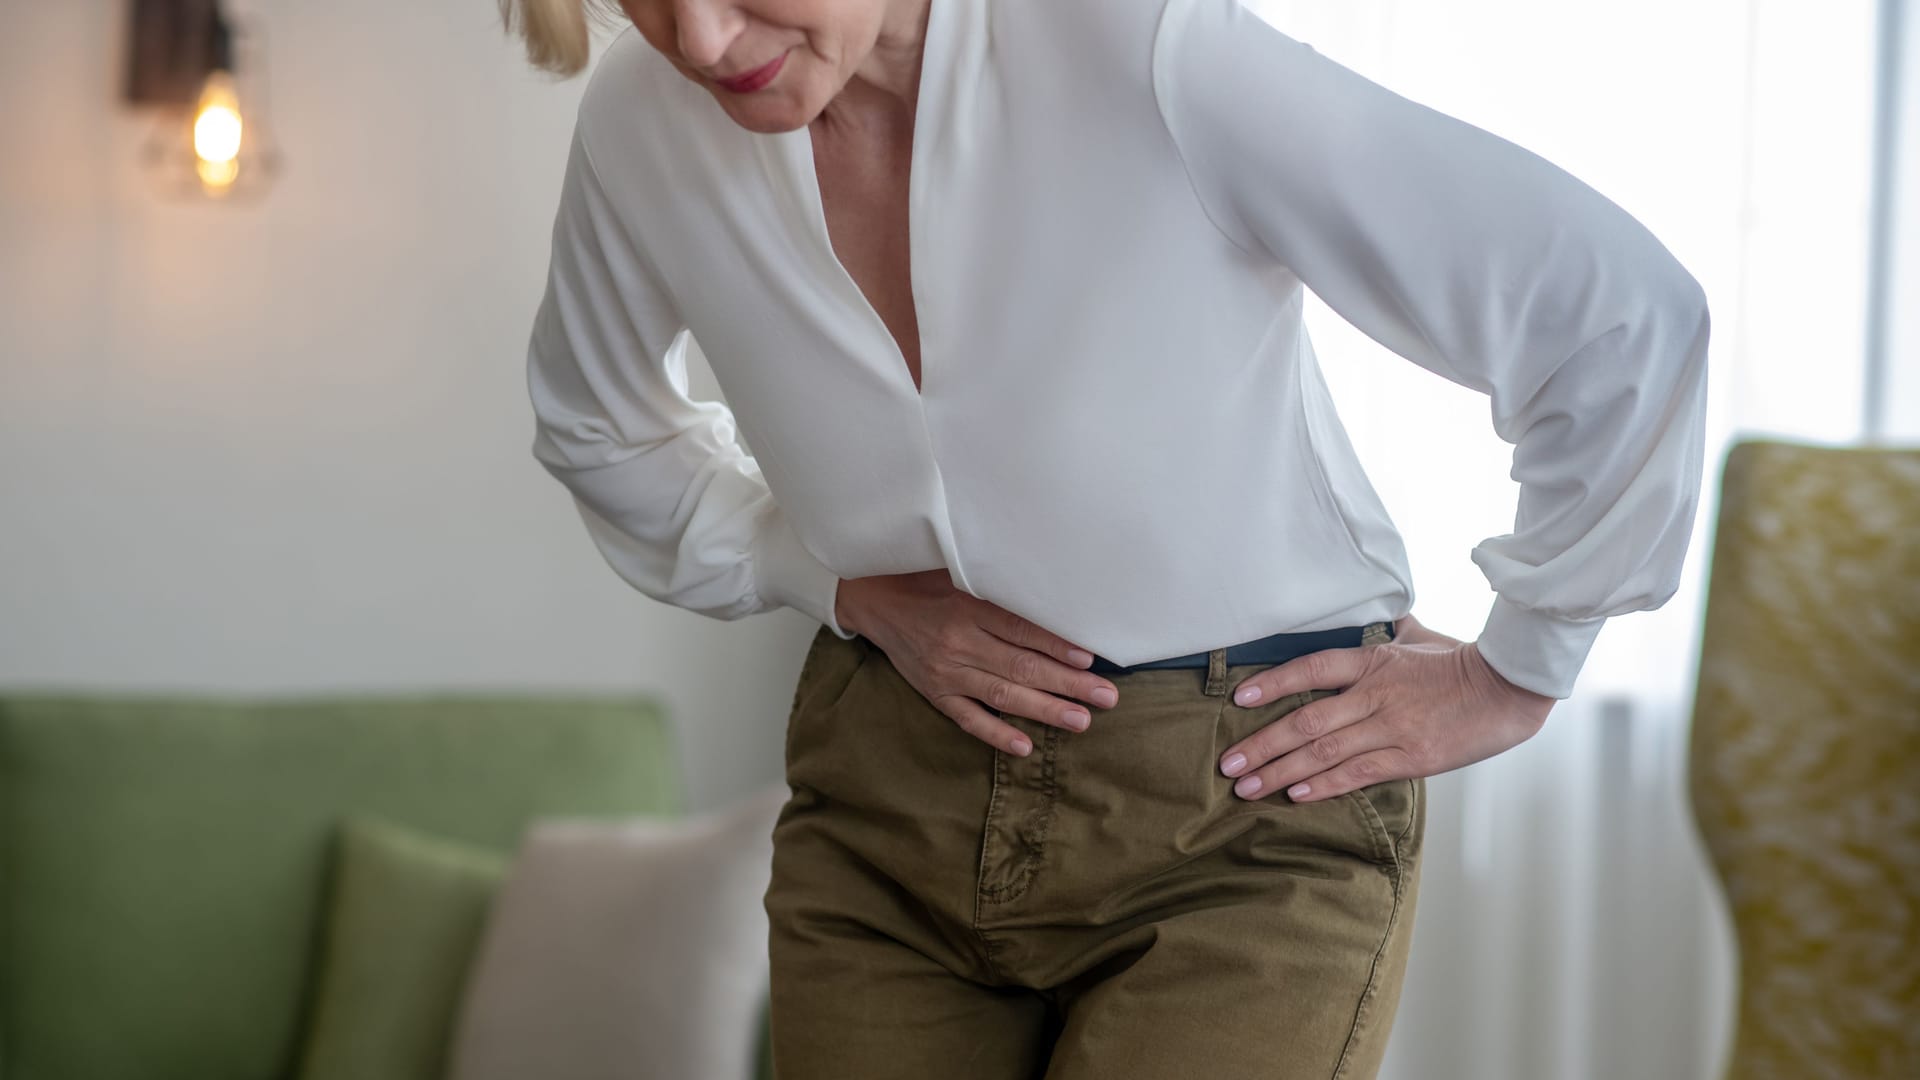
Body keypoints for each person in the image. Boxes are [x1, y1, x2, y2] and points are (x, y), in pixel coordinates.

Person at [500, 0, 1712, 1076]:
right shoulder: (642, 120)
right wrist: (833, 580)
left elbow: (1617, 319)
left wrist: (1519, 669)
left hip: (1239, 807)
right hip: (886, 801)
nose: (700, 38)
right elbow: (601, 432)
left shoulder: (1141, 43)